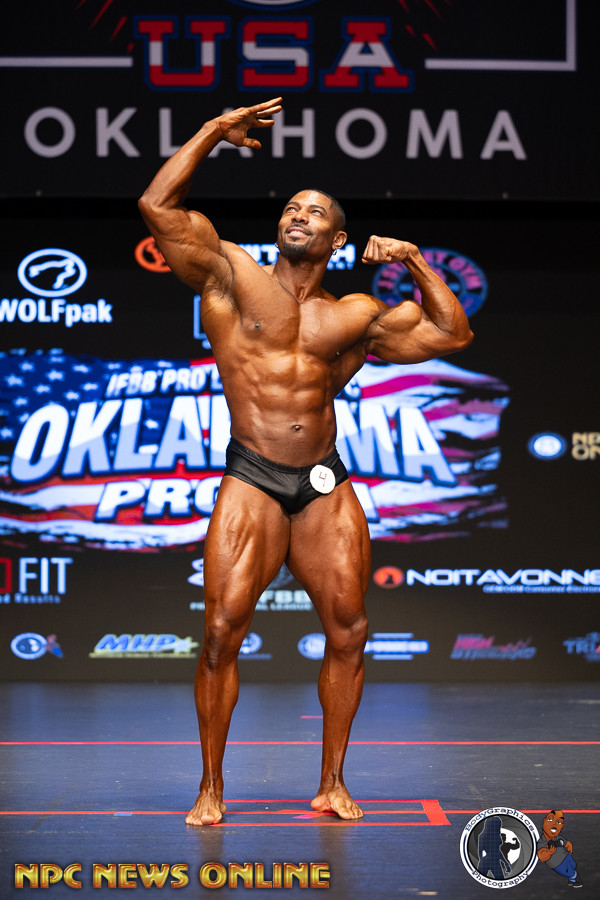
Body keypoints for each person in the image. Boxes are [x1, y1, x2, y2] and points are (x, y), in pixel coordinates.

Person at [138, 97, 473, 826]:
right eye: (291, 207)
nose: (298, 215)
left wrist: (412, 260)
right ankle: (210, 787)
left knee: (350, 630)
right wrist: (213, 132)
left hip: (324, 482)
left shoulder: (355, 315)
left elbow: (452, 335)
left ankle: (332, 782)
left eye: (315, 211)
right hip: (253, 477)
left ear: (338, 237)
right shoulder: (231, 276)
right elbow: (158, 207)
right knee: (221, 633)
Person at [537, 810, 583, 888]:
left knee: (573, 865)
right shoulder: (542, 842)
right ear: (544, 821)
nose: (554, 824)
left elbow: (567, 843)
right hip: (557, 864)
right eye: (550, 819)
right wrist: (549, 853)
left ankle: (572, 880)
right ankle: (576, 878)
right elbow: (541, 856)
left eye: (559, 822)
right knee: (569, 873)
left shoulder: (558, 837)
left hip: (566, 856)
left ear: (562, 825)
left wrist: (570, 851)